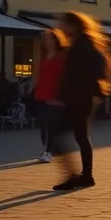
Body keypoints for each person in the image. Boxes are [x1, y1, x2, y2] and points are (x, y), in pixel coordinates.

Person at [50, 12, 111, 191]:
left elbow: (95, 71)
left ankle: (77, 175)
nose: (60, 26)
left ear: (73, 26)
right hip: (78, 98)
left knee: (62, 136)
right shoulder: (78, 44)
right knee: (80, 137)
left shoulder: (84, 46)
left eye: (63, 23)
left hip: (79, 99)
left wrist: (96, 95)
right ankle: (84, 175)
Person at [33, 29, 67, 163]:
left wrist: (61, 96)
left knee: (51, 125)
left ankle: (49, 150)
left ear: (56, 41)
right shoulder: (44, 57)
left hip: (54, 97)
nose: (46, 42)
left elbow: (64, 78)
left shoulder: (61, 57)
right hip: (41, 95)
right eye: (45, 39)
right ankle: (46, 147)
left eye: (49, 39)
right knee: (42, 124)